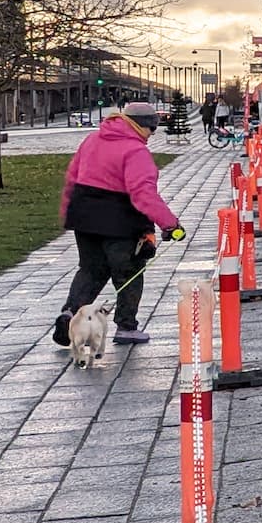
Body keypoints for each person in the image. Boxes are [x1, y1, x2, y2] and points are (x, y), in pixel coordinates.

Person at [54, 102, 186, 347]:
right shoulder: (136, 151)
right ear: (143, 125)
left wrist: (67, 212)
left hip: (84, 217)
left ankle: (70, 314)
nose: (151, 135)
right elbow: (142, 194)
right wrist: (170, 224)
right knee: (129, 271)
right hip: (120, 221)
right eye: (151, 129)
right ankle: (126, 327)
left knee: (90, 270)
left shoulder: (92, 140)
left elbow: (72, 177)